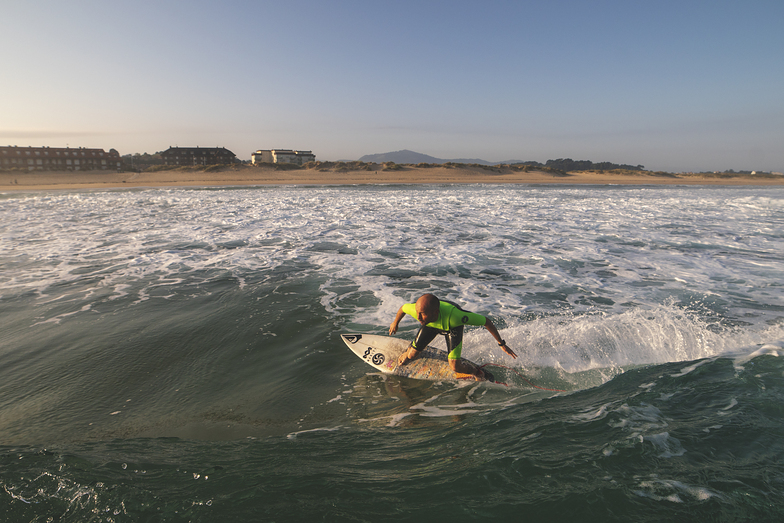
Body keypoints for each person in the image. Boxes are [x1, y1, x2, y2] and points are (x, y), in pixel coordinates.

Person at [388, 293, 517, 380]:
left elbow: (486, 321)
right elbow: (403, 308)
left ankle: (476, 372)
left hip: (451, 327)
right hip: (430, 324)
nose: (418, 317)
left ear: (435, 312)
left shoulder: (457, 317)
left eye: (422, 313)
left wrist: (501, 344)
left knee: (455, 366)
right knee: (411, 355)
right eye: (417, 312)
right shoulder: (419, 311)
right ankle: (410, 351)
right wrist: (395, 323)